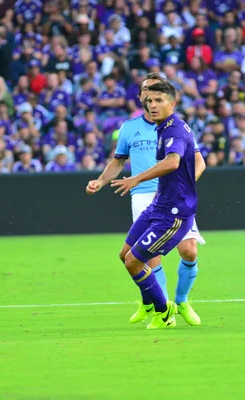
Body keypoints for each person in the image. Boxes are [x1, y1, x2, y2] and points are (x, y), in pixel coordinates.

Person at [86, 74, 206, 327]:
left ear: (170, 102)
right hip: (153, 201)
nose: (152, 102)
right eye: (148, 96)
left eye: (158, 97)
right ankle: (154, 302)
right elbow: (118, 161)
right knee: (129, 256)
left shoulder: (175, 128)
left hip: (173, 206)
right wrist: (101, 181)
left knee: (182, 251)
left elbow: (176, 162)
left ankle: (171, 307)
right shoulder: (137, 127)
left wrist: (138, 179)